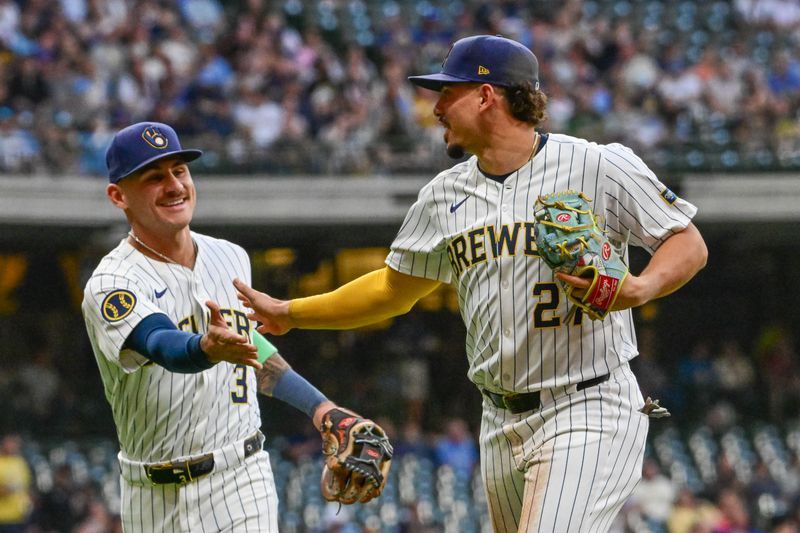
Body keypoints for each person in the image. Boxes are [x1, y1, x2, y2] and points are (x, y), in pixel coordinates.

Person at [235, 34, 708, 532]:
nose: (436, 107)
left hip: (588, 402)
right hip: (498, 418)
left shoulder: (597, 164)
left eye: (448, 92)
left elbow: (687, 242)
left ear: (487, 96)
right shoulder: (444, 194)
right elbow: (391, 290)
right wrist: (291, 312)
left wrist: (639, 287)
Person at [81, 121, 377, 532]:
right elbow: (160, 342)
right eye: (154, 177)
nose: (173, 185)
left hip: (240, 476)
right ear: (118, 196)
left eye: (179, 171)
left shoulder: (231, 257)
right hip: (152, 493)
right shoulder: (112, 282)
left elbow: (248, 347)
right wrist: (203, 348)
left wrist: (319, 406)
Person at [0, 434, 32, 533]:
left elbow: (26, 486)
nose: (12, 446)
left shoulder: (20, 463)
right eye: (9, 443)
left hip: (18, 517)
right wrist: (7, 490)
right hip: (3, 517)